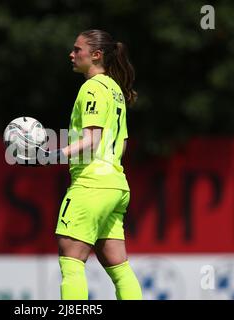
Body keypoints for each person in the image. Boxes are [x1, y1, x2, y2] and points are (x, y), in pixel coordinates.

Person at [19, 29, 142, 300]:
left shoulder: (93, 87)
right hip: (116, 186)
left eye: (77, 49)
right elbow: (121, 145)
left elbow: (91, 140)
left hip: (91, 185)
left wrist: (48, 156)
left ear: (96, 55)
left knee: (71, 260)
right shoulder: (116, 90)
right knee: (118, 267)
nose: (71, 54)